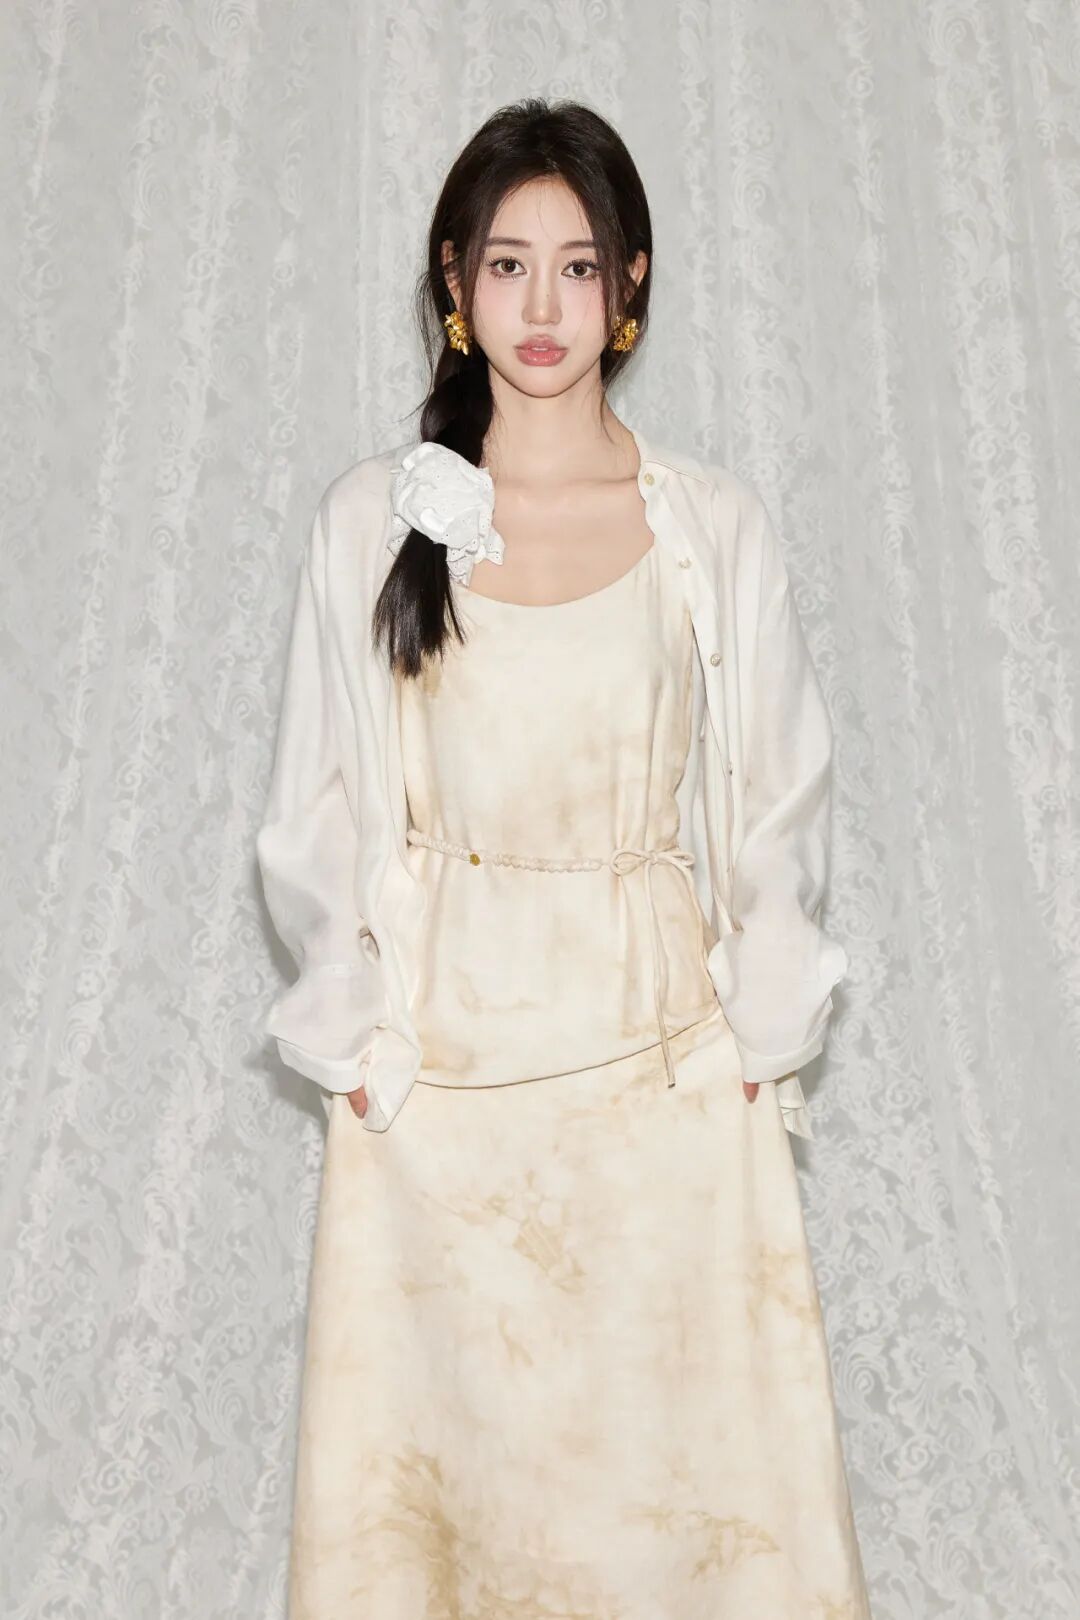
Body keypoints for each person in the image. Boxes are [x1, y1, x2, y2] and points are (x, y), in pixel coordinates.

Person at [257, 95, 872, 1620]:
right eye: (509, 264)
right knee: (441, 1529)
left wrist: (761, 1028)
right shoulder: (371, 523)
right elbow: (314, 805)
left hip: (661, 1087)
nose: (545, 306)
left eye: (580, 267)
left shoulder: (712, 526)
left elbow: (781, 792)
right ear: (454, 284)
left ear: (632, 285)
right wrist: (353, 1044)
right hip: (438, 1107)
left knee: (688, 1512)